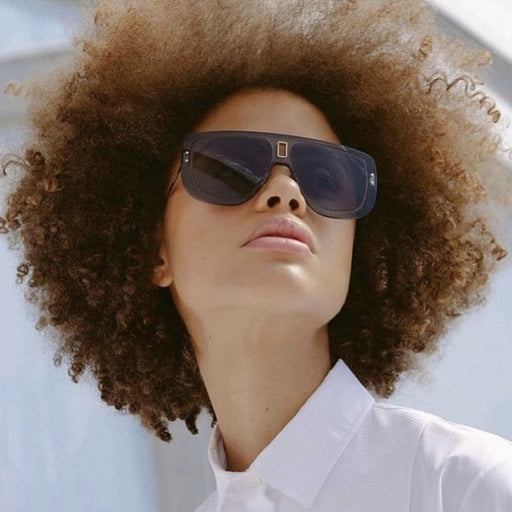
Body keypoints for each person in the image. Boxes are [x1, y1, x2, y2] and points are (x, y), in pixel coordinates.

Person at [1, 0, 511, 510]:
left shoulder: (466, 485)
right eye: (230, 169)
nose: (286, 191)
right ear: (153, 250)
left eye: (326, 179)